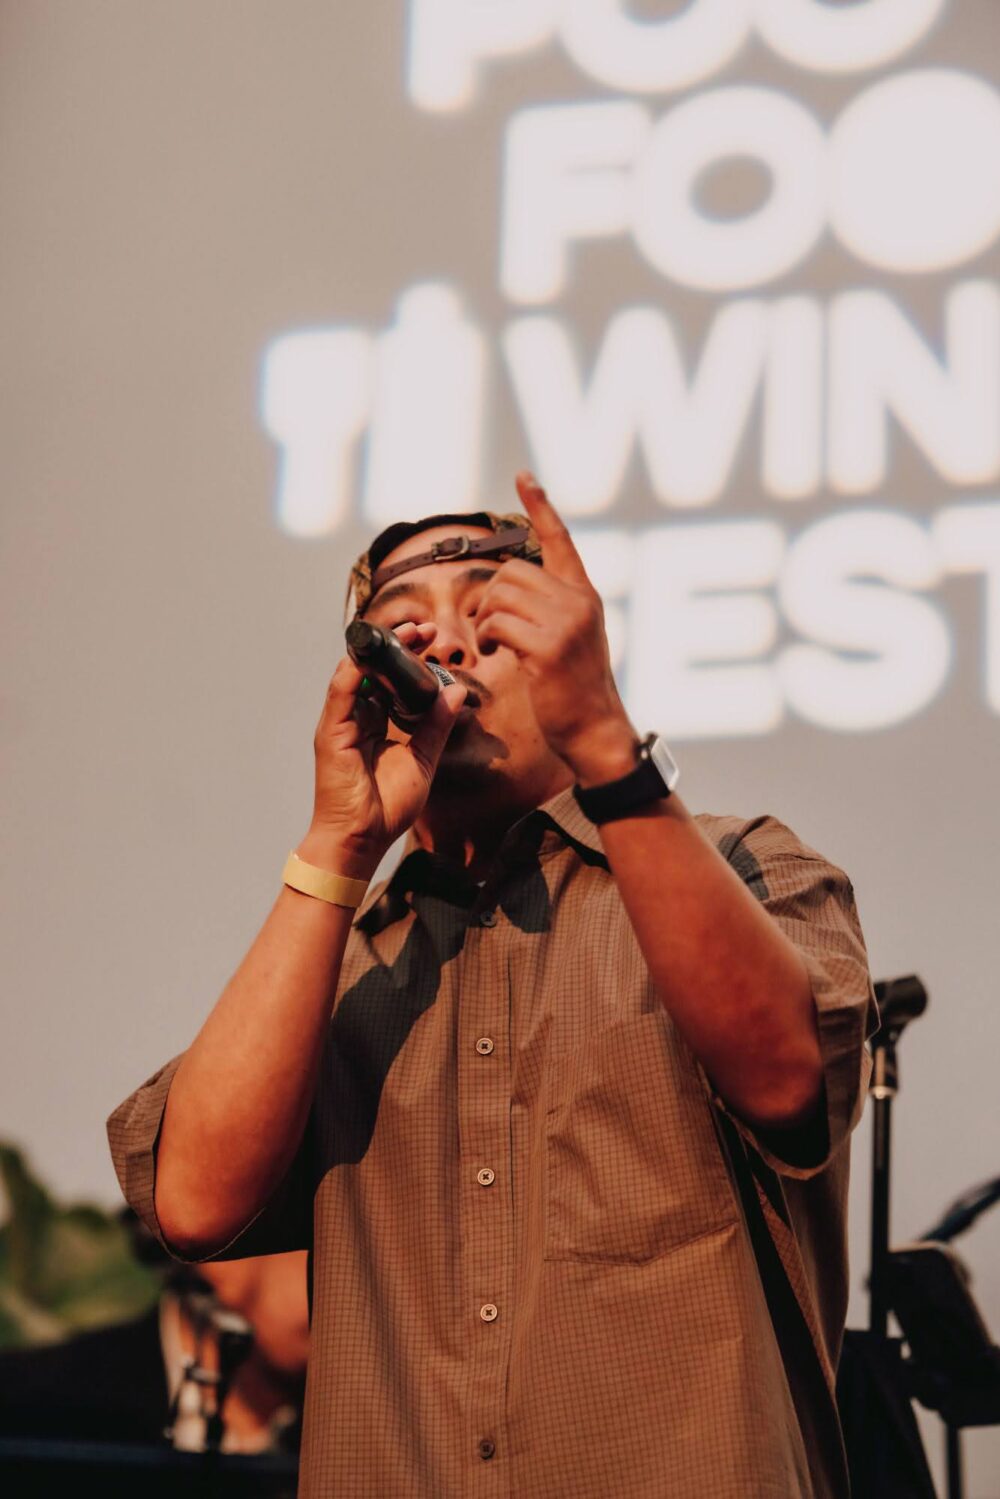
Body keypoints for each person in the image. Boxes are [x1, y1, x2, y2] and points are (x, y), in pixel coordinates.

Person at [109, 473, 876, 1498]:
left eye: (492, 610)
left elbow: (788, 1081)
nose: (448, 643)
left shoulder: (743, 865)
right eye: (405, 624)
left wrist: (604, 739)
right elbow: (194, 1204)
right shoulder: (338, 965)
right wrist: (337, 846)